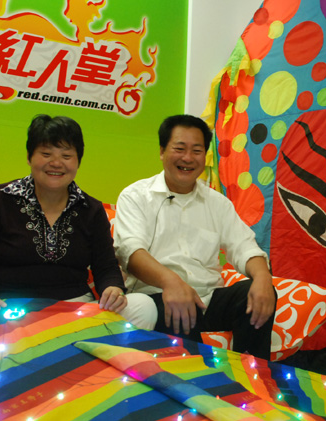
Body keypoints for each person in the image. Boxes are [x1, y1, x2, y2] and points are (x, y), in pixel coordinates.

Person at [0, 114, 156, 347]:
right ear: (29, 157)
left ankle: (55, 348)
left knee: (144, 307)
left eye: (66, 156)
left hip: (75, 310)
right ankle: (76, 349)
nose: (56, 163)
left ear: (78, 162)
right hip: (11, 313)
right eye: (46, 154)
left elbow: (106, 266)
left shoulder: (90, 209)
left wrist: (113, 288)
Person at [114, 114, 277, 359]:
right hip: (159, 296)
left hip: (208, 300)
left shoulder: (217, 203)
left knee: (251, 293)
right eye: (179, 149)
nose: (188, 158)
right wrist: (171, 282)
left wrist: (263, 277)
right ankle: (200, 376)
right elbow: (131, 252)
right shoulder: (135, 196)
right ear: (162, 151)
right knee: (177, 307)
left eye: (197, 150)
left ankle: (252, 371)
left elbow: (244, 246)